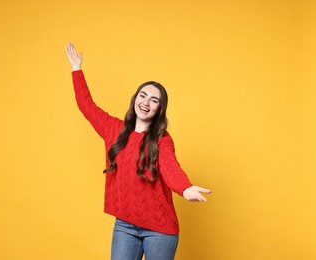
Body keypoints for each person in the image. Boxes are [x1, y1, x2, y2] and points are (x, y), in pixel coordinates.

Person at [65, 42, 211, 260]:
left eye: (154, 100)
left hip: (160, 229)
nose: (146, 103)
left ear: (159, 109)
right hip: (125, 225)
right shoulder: (113, 129)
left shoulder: (161, 139)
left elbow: (171, 167)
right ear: (135, 99)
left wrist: (185, 188)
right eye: (142, 96)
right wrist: (76, 69)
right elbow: (87, 106)